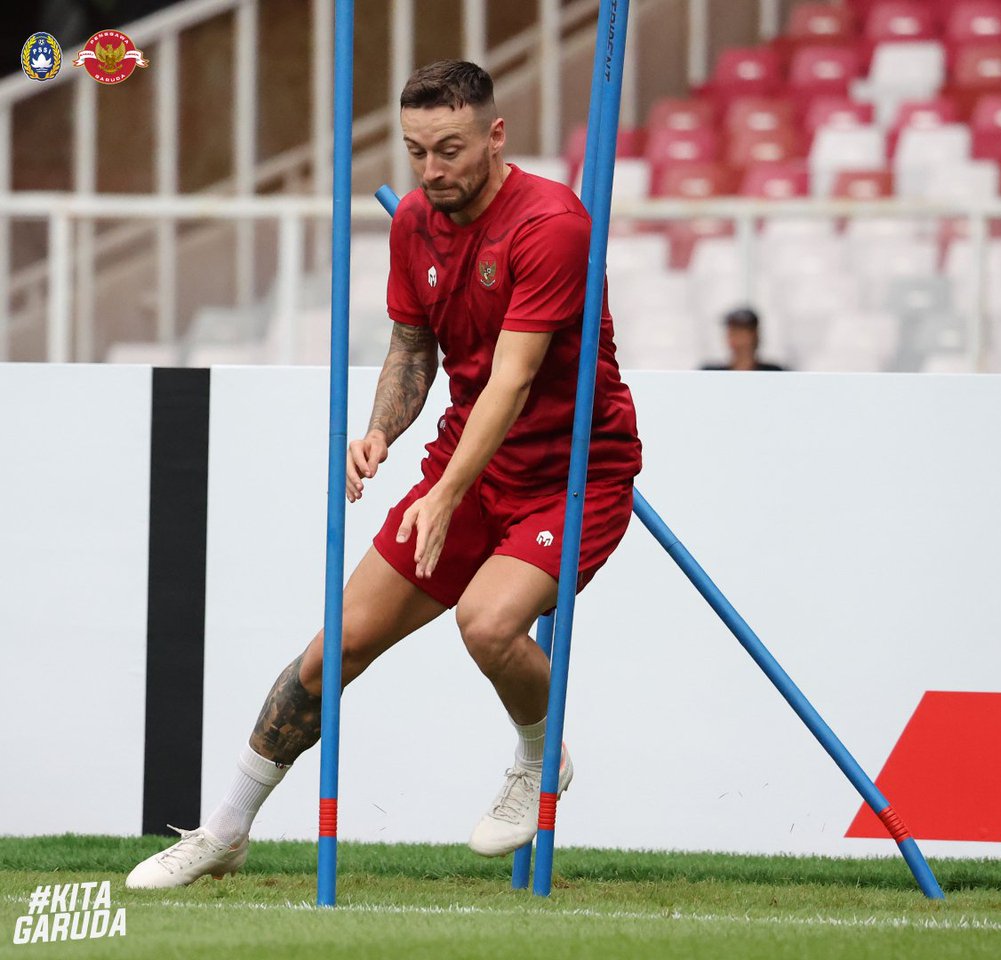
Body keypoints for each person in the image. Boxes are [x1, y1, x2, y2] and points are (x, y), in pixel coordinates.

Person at [126, 60, 641, 889]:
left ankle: (540, 760)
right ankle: (222, 833)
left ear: (495, 135)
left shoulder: (553, 224)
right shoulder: (414, 223)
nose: (432, 171)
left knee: (489, 622)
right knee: (334, 650)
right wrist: (380, 432)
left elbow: (509, 382)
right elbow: (413, 346)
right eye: (415, 152)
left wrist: (443, 494)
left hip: (573, 475)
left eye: (450, 149)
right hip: (464, 469)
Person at [701, 307, 787, 371]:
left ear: (755, 335)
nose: (737, 338)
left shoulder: (774, 372)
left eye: (741, 331)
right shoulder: (710, 372)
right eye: (732, 331)